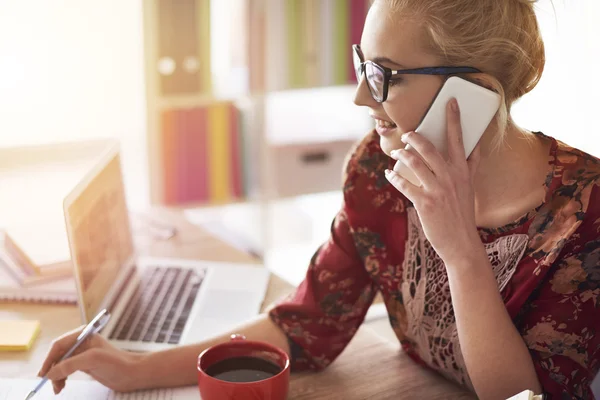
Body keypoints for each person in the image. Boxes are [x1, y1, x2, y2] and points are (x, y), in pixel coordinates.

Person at [39, 0, 600, 398]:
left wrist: (459, 253)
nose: (360, 95)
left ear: (472, 94)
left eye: (385, 75)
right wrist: (134, 368)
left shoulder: (587, 216)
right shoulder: (379, 168)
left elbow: (523, 398)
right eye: (363, 64)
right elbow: (306, 323)